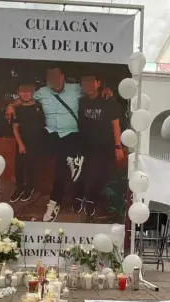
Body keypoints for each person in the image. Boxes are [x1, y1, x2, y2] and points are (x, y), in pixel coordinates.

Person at [5, 66, 113, 222]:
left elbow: (94, 92)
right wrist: (11, 105)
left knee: (61, 165)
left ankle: (55, 202)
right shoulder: (42, 92)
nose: (54, 81)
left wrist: (106, 90)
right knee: (36, 144)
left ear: (63, 77)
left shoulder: (76, 89)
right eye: (50, 78)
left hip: (71, 133)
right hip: (50, 134)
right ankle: (34, 184)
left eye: (57, 77)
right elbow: (24, 98)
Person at [73, 72, 124, 216]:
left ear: (98, 83)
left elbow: (115, 124)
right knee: (80, 172)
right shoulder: (80, 101)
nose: (88, 85)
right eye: (84, 82)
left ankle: (90, 199)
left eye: (91, 81)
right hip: (84, 144)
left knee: (98, 174)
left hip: (103, 146)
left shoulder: (108, 101)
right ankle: (78, 196)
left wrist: (118, 146)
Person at [10, 80, 45, 202]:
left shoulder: (39, 106)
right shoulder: (17, 108)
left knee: (31, 166)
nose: (25, 94)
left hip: (37, 142)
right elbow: (15, 128)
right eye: (22, 92)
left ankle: (29, 189)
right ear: (18, 92)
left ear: (33, 92)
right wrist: (20, 144)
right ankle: (19, 187)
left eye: (28, 92)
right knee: (19, 166)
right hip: (22, 142)